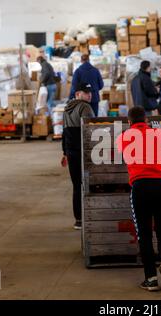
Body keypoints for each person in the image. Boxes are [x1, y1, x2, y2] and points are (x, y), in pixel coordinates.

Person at [116, 106, 161, 292]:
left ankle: (151, 279)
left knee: (144, 234)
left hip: (140, 186)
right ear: (147, 120)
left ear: (129, 122)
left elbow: (122, 152)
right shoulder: (159, 134)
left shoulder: (124, 137)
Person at [61, 83, 95, 230]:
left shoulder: (66, 109)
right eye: (86, 92)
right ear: (77, 94)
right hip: (84, 151)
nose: (89, 95)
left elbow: (64, 133)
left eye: (90, 92)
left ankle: (78, 220)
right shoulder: (85, 107)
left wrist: (64, 152)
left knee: (76, 185)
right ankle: (91, 216)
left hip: (71, 151)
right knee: (89, 184)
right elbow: (91, 130)